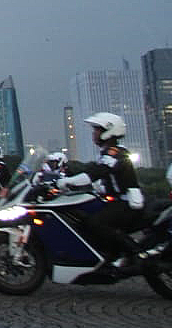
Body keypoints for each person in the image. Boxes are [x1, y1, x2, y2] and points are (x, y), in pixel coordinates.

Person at [59, 112, 145, 268]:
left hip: (127, 203)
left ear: (109, 131)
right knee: (86, 215)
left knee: (96, 222)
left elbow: (96, 173)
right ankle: (107, 253)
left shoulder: (116, 153)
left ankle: (133, 253)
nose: (94, 134)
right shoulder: (107, 153)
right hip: (117, 201)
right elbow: (97, 177)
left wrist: (66, 182)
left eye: (97, 130)